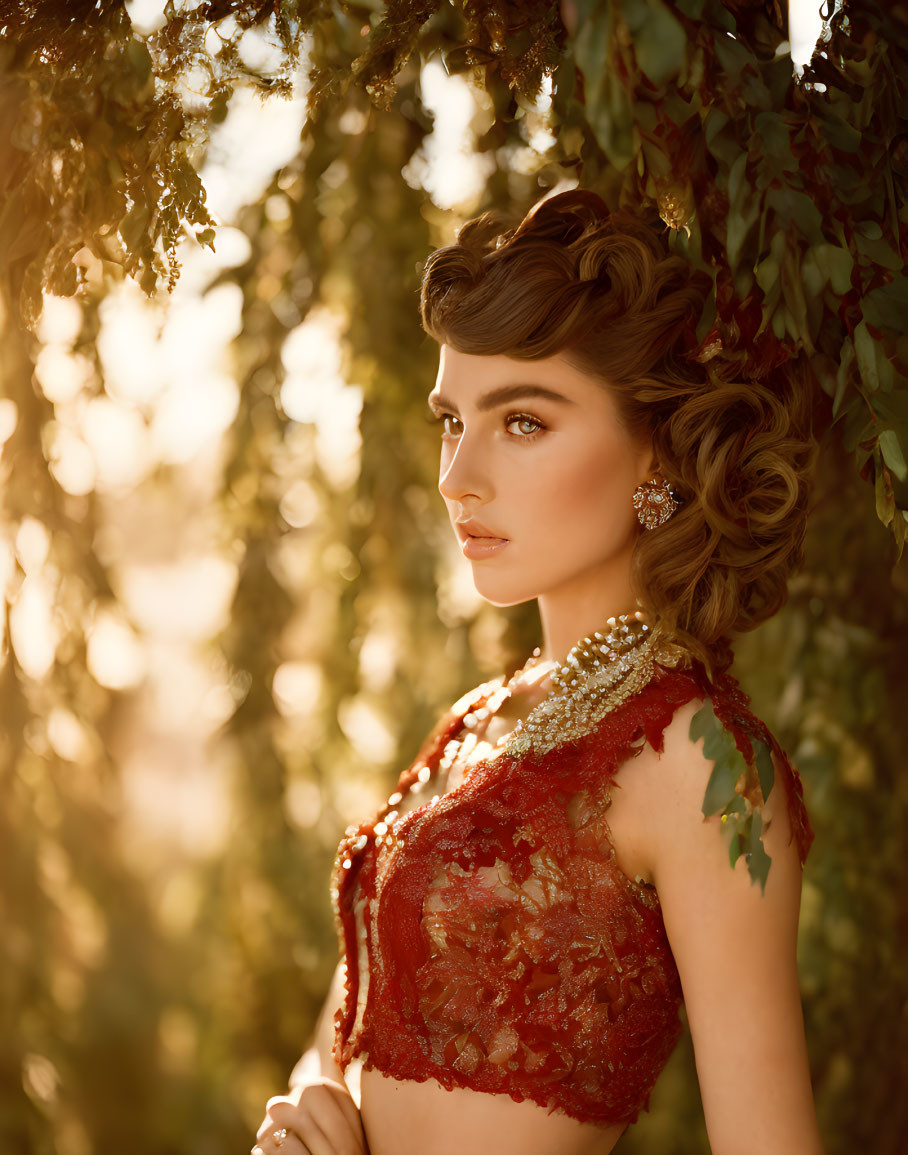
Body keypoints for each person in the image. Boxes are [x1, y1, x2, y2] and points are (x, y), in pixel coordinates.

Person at [252, 189, 825, 1155]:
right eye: (451, 420)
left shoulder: (705, 765)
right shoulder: (480, 717)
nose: (456, 475)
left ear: (655, 449)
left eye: (521, 422)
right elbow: (338, 1046)